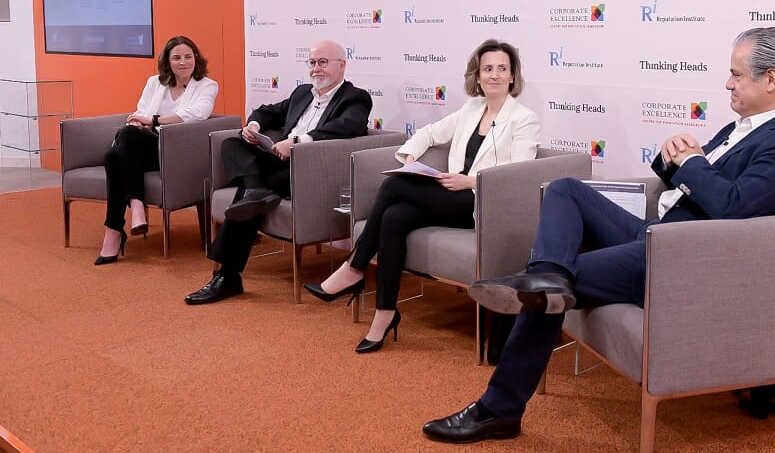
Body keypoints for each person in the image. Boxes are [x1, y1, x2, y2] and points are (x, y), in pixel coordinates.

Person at [422, 26, 775, 443]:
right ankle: (545, 275)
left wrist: (693, 163)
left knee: (562, 282)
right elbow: (701, 185)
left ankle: (498, 408)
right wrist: (673, 163)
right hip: (659, 234)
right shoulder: (748, 126)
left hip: (681, 259)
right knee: (565, 189)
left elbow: (733, 206)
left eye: (736, 75)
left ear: (770, 79)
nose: (728, 83)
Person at [303, 39, 541, 353]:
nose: (494, 75)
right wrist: (409, 159)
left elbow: (516, 175)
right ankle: (385, 313)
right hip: (451, 196)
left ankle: (355, 266)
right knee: (394, 216)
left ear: (512, 76)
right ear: (478, 75)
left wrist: (469, 182)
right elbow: (429, 133)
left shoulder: (524, 119)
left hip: (484, 204)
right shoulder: (472, 109)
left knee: (393, 187)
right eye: (487, 69)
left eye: (501, 69)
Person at [184, 40, 372, 305]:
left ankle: (228, 275)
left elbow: (347, 126)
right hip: (276, 162)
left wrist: (295, 142)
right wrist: (254, 125)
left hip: (307, 171)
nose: (316, 69)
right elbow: (268, 111)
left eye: (323, 62)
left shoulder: (355, 97)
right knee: (232, 143)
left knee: (247, 197)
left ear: (342, 65)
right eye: (312, 63)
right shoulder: (303, 93)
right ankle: (255, 190)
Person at [95, 36, 218, 265]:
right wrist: (138, 121)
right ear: (168, 62)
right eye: (177, 58)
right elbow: (141, 110)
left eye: (188, 57)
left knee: (114, 154)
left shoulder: (207, 85)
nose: (183, 62)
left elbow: (197, 114)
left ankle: (120, 223)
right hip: (145, 147)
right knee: (120, 145)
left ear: (196, 59)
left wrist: (153, 120)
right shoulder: (155, 82)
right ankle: (129, 213)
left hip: (175, 152)